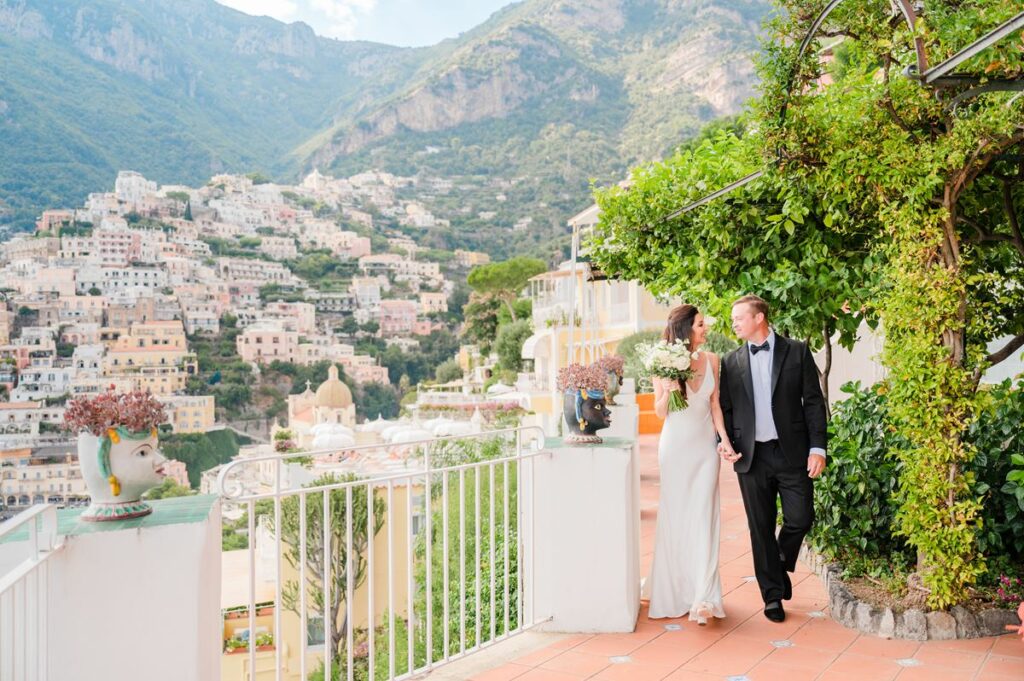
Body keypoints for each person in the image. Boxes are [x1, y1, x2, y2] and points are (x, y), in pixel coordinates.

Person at [718, 294, 827, 623]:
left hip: (792, 451)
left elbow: (813, 401)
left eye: (740, 317)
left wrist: (817, 448)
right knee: (759, 527)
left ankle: (779, 564)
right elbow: (724, 408)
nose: (734, 323)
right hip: (751, 457)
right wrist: (721, 442)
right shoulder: (730, 361)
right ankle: (772, 596)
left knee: (800, 517)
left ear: (759, 318)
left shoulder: (796, 351)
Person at [644, 304, 733, 625]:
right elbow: (659, 412)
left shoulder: (712, 361)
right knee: (677, 515)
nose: (705, 328)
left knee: (705, 514)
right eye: (699, 324)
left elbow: (715, 405)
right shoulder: (663, 362)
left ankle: (704, 596)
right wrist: (667, 391)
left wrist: (724, 440)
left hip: (704, 449)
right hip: (675, 448)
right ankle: (676, 589)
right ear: (684, 329)